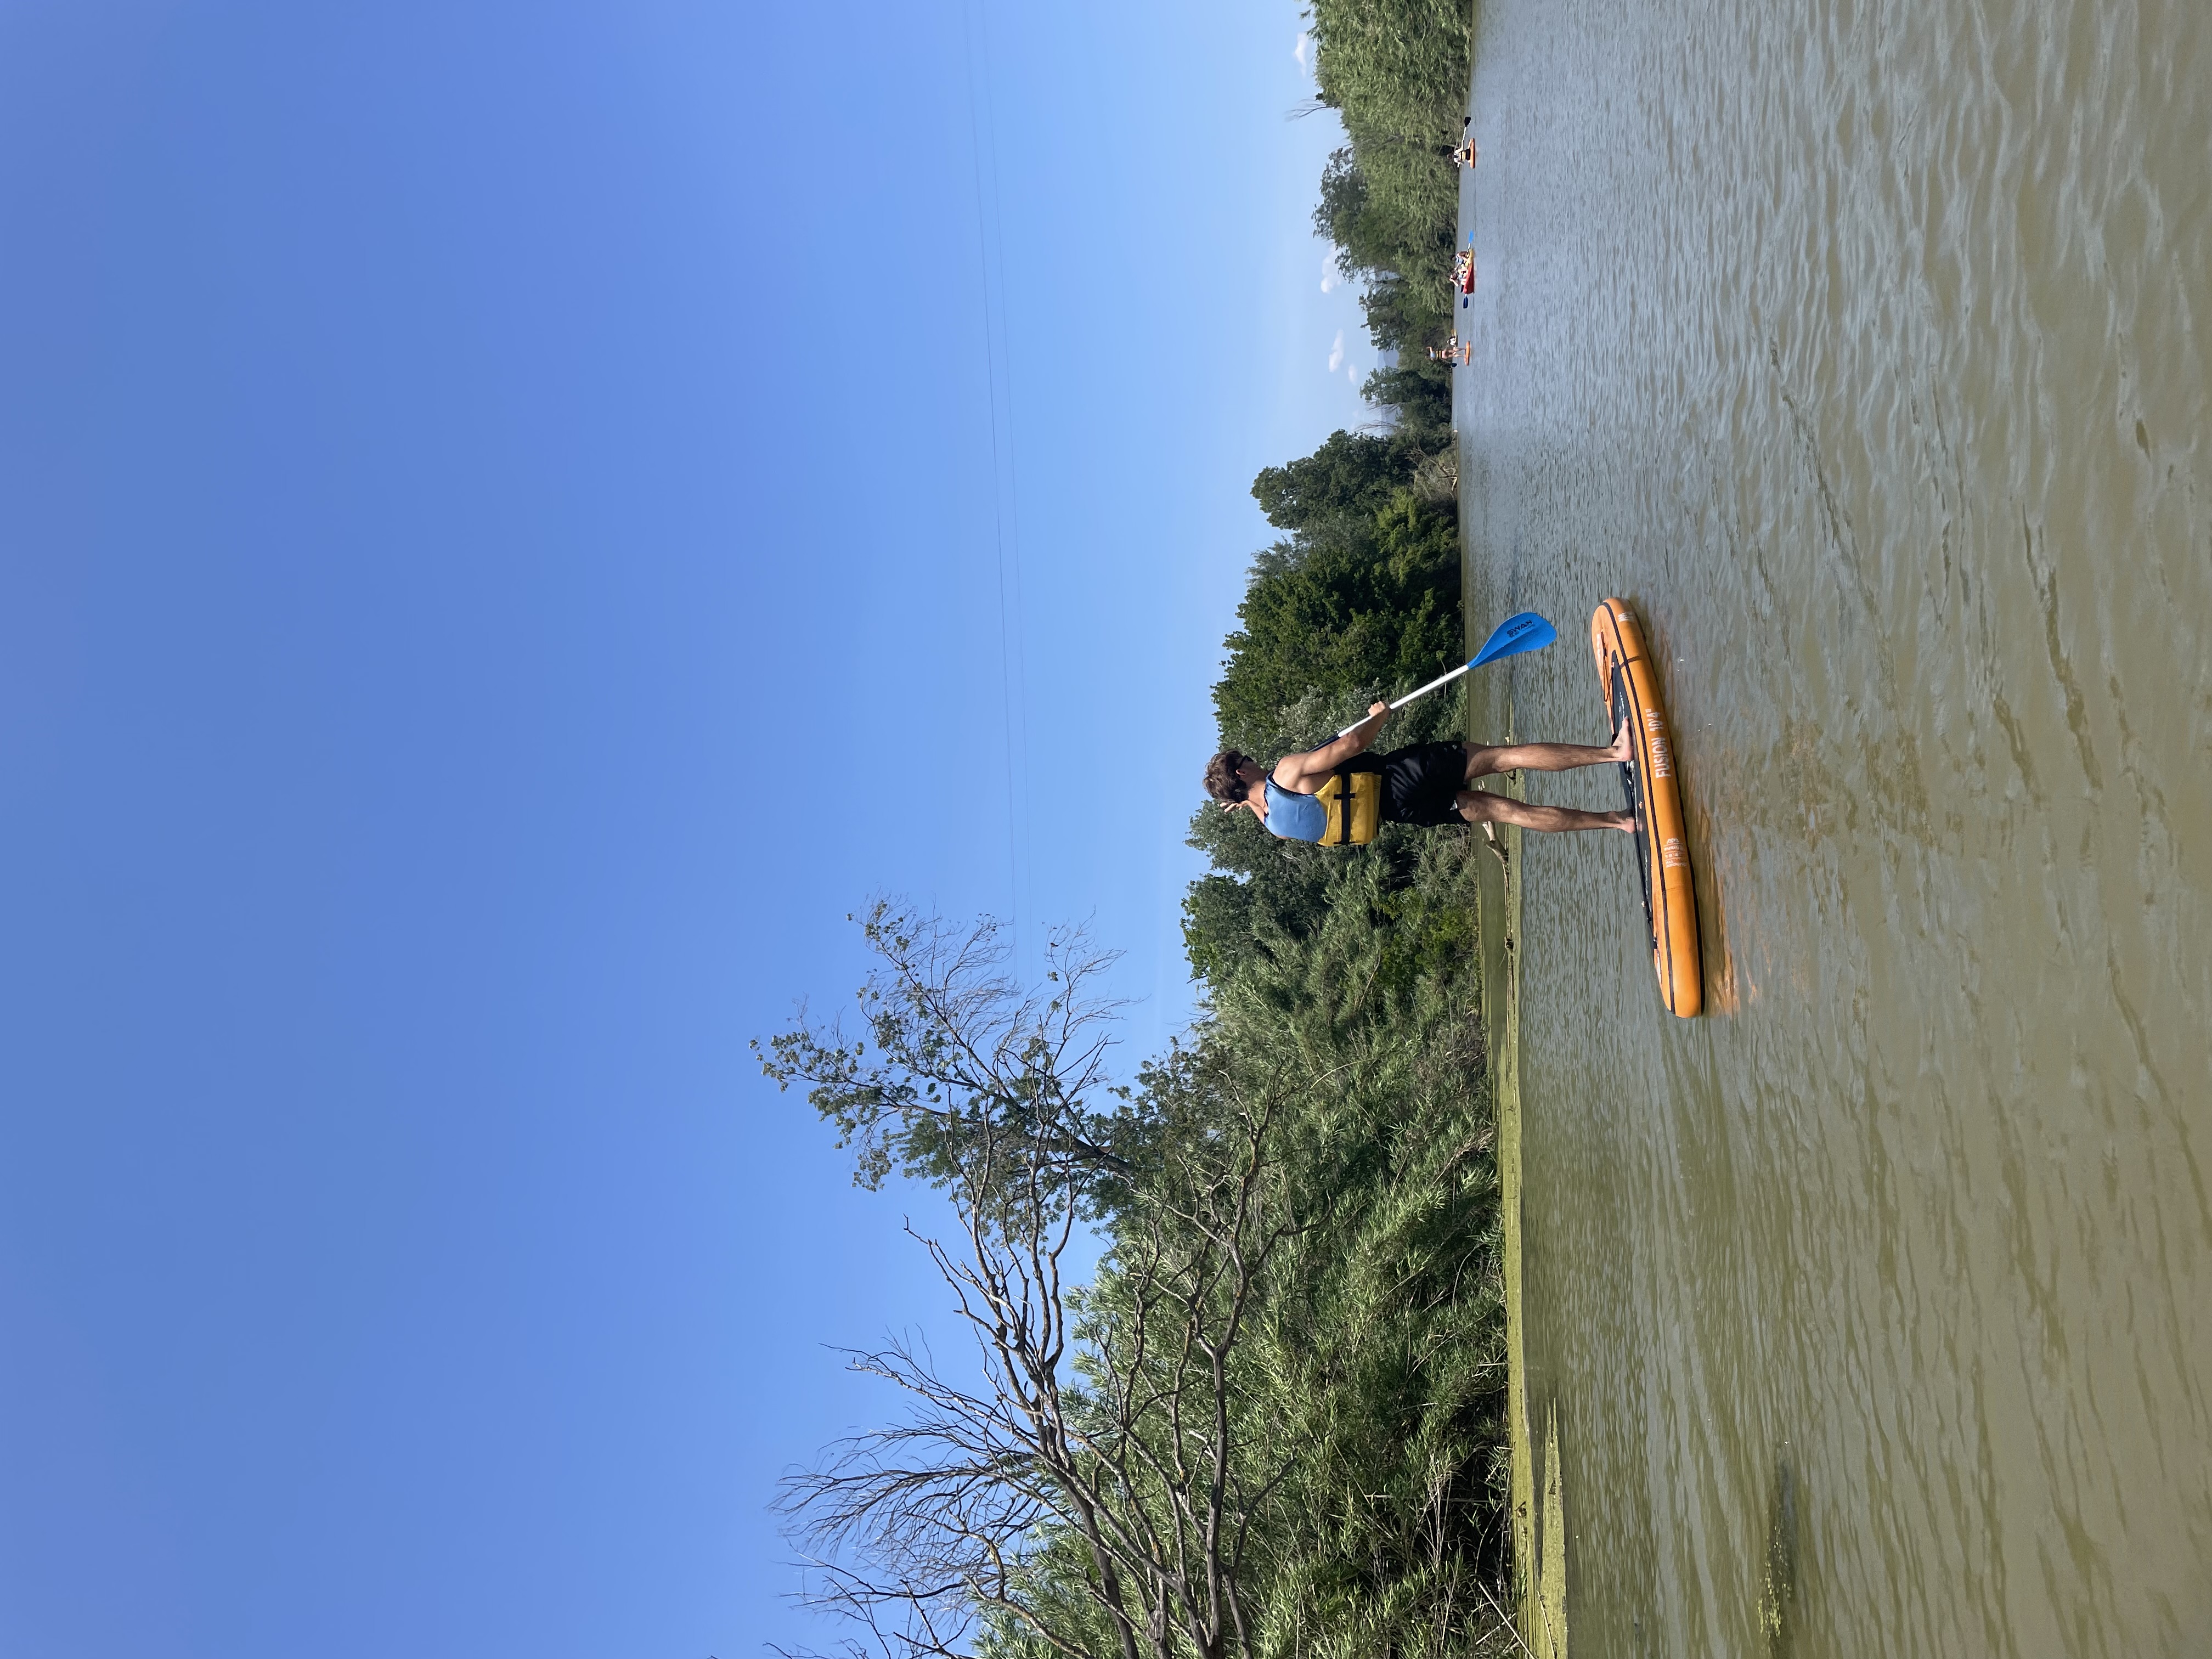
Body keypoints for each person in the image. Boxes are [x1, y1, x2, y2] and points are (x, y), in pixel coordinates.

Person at [1204, 701, 1634, 842]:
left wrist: (1240, 804)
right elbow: (1352, 745)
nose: (1252, 759)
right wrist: (1380, 715)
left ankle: (1618, 822)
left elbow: (1264, 806)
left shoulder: (1272, 823)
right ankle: (1615, 754)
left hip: (1398, 811)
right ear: (1242, 774)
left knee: (1510, 813)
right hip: (1400, 774)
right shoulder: (1286, 772)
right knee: (1504, 758)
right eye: (1245, 761)